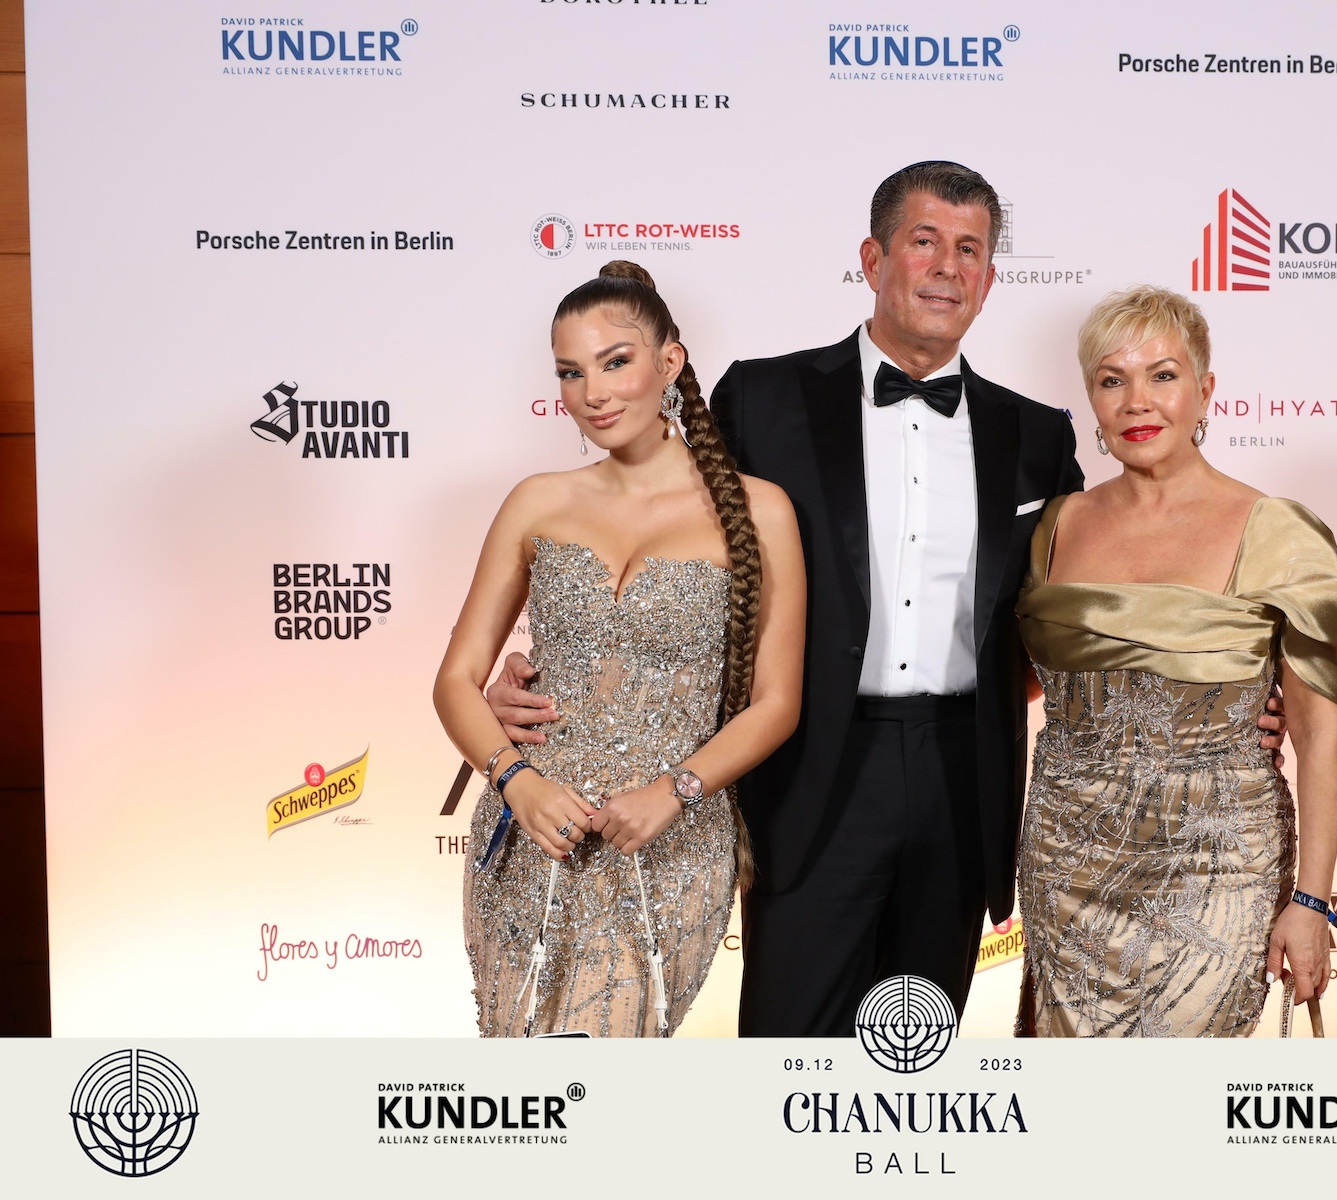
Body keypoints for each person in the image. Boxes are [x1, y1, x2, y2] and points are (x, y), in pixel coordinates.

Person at [485, 163, 1285, 1037]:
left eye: (969, 250)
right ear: (872, 259)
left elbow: (1085, 612)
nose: (946, 267)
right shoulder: (763, 398)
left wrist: (1221, 694)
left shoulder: (1036, 434)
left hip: (963, 778)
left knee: (918, 1051)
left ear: (989, 279)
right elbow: (664, 540)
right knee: (789, 1055)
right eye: (924, 241)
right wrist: (548, 671)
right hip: (807, 769)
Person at [433, 262, 804, 1037]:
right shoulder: (538, 500)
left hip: (669, 844)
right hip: (530, 834)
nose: (592, 393)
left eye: (615, 362)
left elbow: (776, 704)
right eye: (571, 372)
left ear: (669, 362)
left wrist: (676, 791)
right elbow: (457, 680)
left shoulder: (760, 510)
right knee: (521, 1077)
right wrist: (516, 781)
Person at [1014, 285, 1337, 1037]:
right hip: (1065, 866)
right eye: (1112, 380)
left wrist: (1310, 902)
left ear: (1205, 391)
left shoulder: (1275, 532)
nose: (1137, 402)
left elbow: (1319, 735)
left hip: (1219, 869)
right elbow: (1025, 682)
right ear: (1091, 400)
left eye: (1163, 375)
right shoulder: (1058, 524)